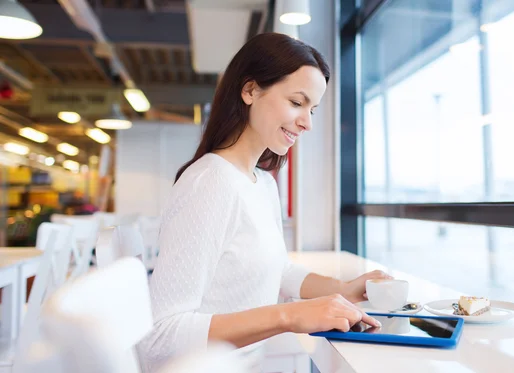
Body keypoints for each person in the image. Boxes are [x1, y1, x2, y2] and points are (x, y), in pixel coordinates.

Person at [139, 33, 392, 372]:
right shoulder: (210, 182)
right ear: (250, 91)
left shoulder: (261, 183)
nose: (308, 122)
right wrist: (289, 315)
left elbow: (278, 269)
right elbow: (160, 336)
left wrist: (343, 290)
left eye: (313, 109)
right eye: (297, 102)